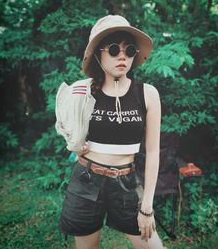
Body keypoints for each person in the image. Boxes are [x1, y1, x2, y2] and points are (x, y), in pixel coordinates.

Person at [56, 15, 164, 249]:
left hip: (125, 182)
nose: (122, 55)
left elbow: (154, 151)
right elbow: (67, 127)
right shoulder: (82, 92)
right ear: (98, 54)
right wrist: (75, 144)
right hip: (86, 180)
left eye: (129, 49)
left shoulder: (148, 94)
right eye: (114, 49)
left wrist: (147, 206)